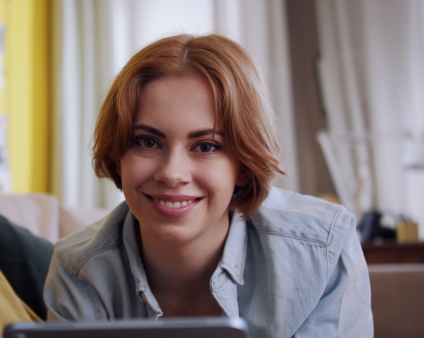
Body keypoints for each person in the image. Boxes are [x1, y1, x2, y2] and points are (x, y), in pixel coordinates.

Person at [43, 34, 373, 337]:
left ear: (243, 166)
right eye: (146, 141)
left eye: (206, 146)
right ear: (118, 158)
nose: (172, 174)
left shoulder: (323, 248)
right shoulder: (78, 269)